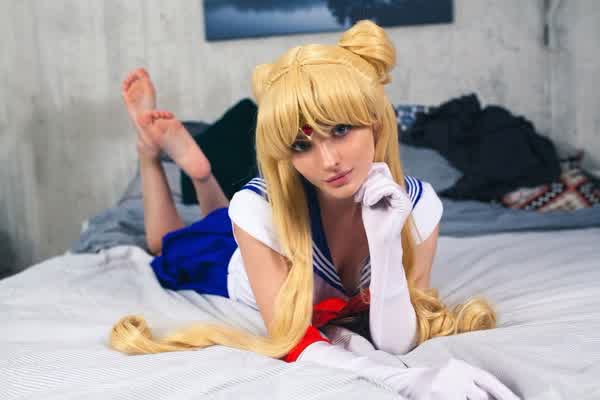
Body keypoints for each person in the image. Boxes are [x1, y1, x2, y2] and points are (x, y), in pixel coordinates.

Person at [111, 20, 516, 399]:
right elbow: (290, 338)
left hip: (255, 226)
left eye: (340, 130)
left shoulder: (419, 208)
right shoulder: (258, 210)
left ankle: (204, 178)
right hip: (238, 255)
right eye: (302, 145)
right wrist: (405, 379)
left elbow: (396, 344)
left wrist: (386, 243)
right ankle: (161, 158)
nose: (328, 161)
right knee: (165, 244)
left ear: (376, 124)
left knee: (222, 218)